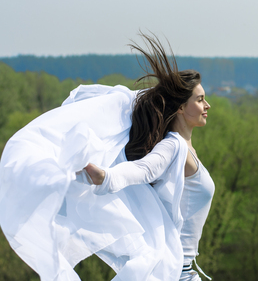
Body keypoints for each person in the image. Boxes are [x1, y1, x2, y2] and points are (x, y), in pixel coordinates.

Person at [0, 34, 214, 281]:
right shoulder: (174, 146)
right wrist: (106, 176)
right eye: (199, 100)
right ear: (180, 108)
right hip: (177, 273)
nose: (207, 105)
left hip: (182, 271)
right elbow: (144, 169)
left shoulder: (185, 148)